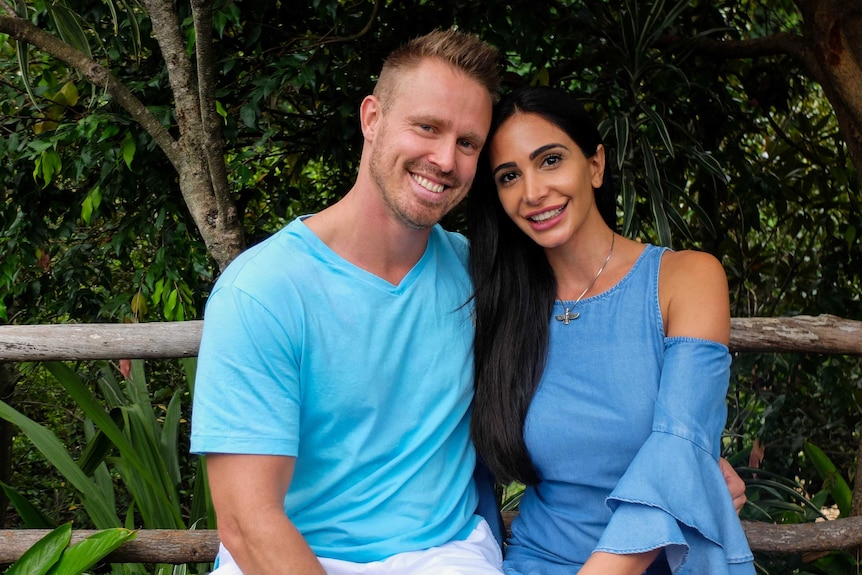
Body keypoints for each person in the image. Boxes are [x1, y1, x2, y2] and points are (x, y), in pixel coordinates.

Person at [190, 29, 505, 575]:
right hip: (289, 557)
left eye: (468, 143)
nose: (445, 159)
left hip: (445, 556)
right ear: (372, 119)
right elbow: (246, 522)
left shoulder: (476, 273)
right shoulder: (264, 291)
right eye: (427, 127)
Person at [468, 85, 755, 575]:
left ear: (595, 165)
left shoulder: (687, 278)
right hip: (533, 562)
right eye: (509, 175)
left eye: (551, 160)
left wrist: (700, 479)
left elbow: (679, 447)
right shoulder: (500, 303)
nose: (533, 192)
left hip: (666, 563)